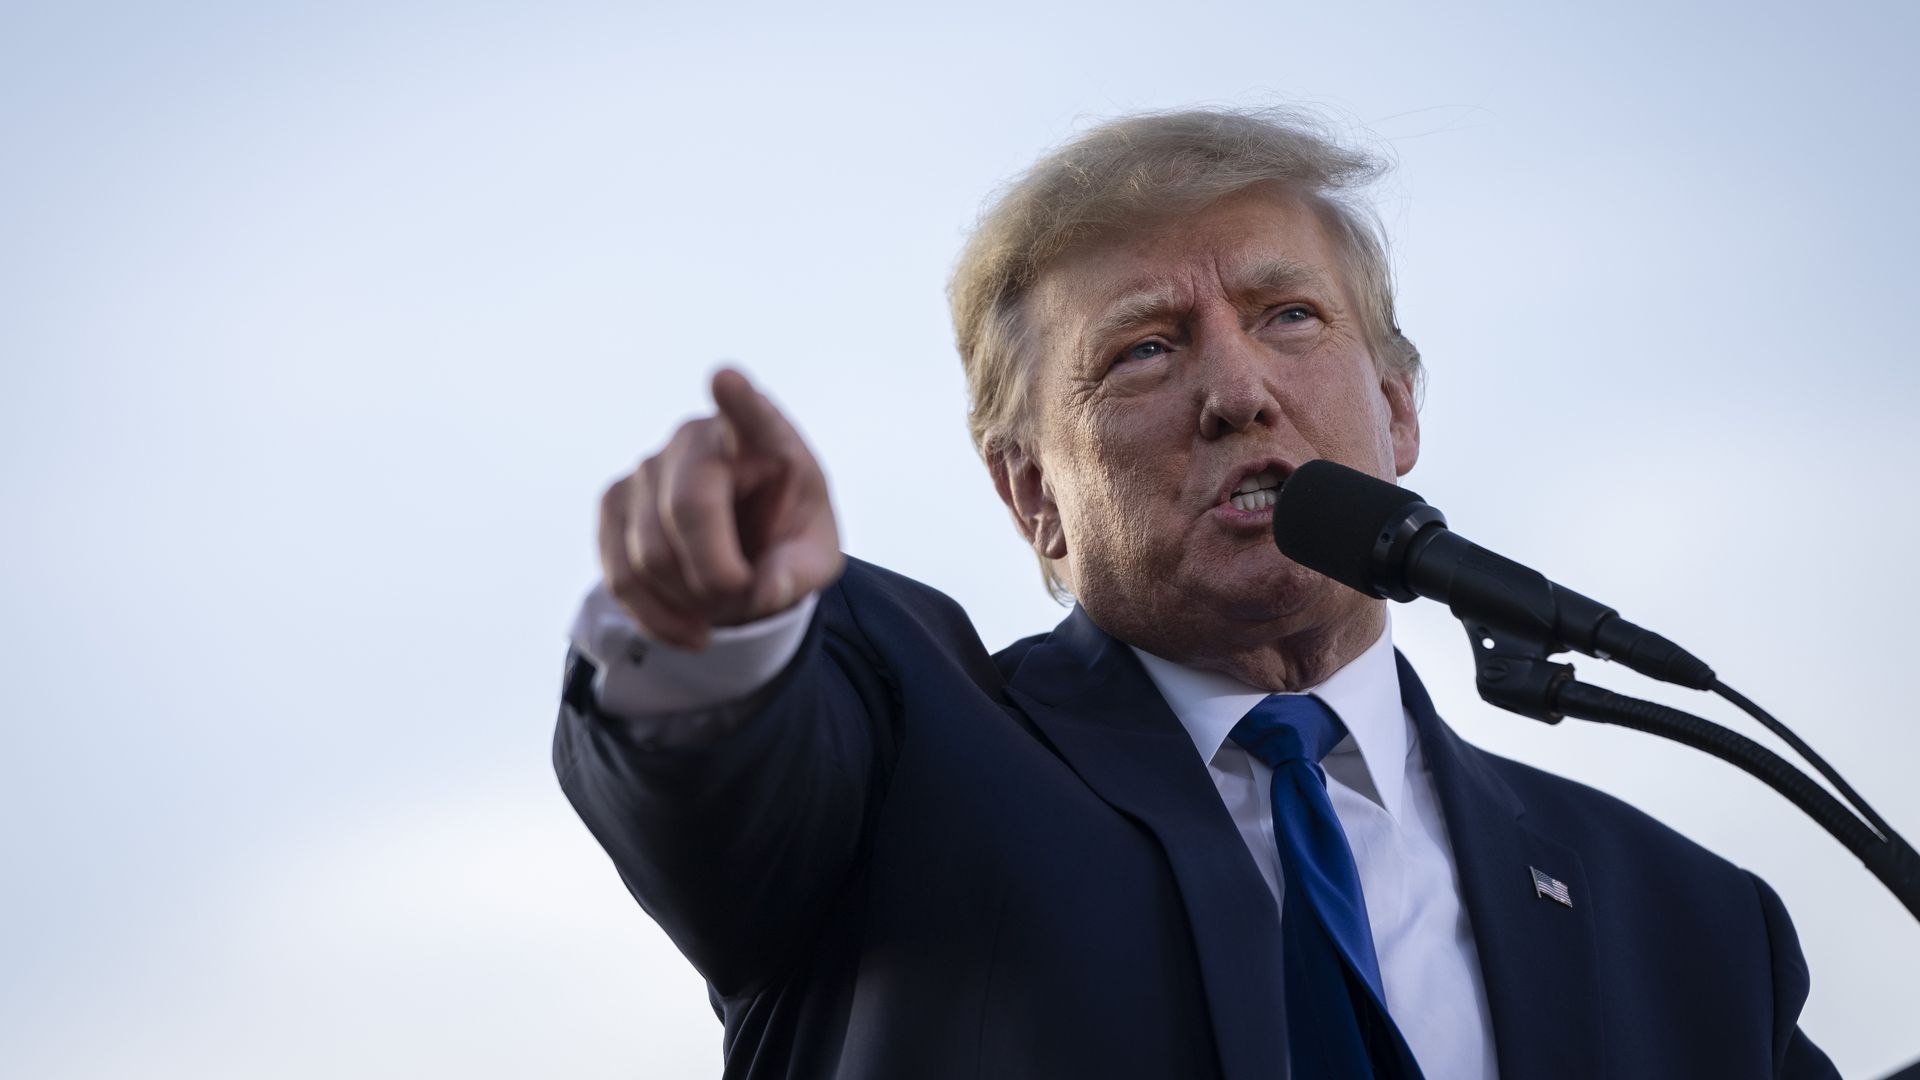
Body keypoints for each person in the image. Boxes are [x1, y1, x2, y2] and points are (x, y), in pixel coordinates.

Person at [553, 108, 1839, 1078]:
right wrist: (710, 629)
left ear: (1396, 411)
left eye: (1290, 317)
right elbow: (727, 773)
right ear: (1031, 496)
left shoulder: (1689, 921)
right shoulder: (901, 752)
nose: (1237, 391)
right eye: (1146, 349)